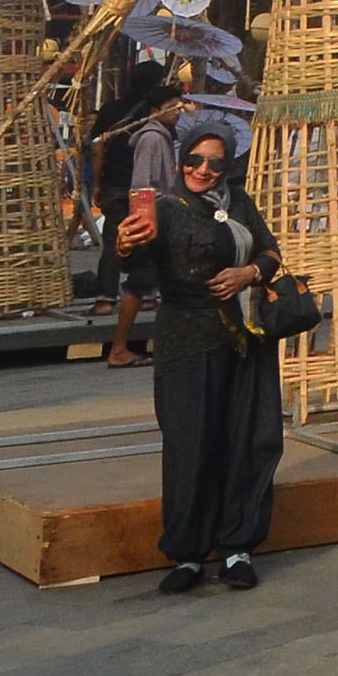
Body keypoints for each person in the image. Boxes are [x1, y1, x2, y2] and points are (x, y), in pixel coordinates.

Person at [121, 127, 287, 594]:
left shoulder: (238, 201)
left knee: (246, 441)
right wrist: (124, 243)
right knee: (189, 445)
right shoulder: (166, 208)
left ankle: (238, 548)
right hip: (186, 342)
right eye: (195, 159)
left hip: (244, 340)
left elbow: (271, 252)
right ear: (182, 160)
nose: (203, 170)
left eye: (215, 162)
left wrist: (248, 273)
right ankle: (188, 553)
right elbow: (138, 254)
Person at [96, 75, 188, 368]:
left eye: (179, 107)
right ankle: (119, 349)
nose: (177, 112)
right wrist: (150, 220)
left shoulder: (164, 136)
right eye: (171, 107)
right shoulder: (151, 139)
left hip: (161, 216)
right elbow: (142, 185)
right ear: (154, 111)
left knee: (157, 282)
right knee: (138, 284)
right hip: (152, 219)